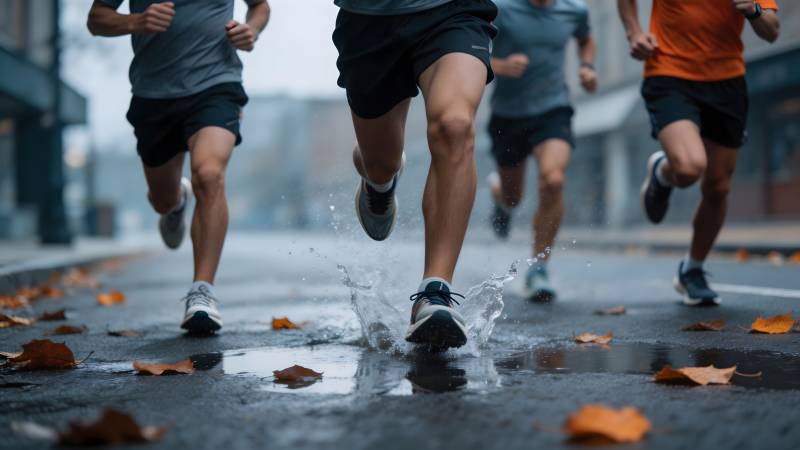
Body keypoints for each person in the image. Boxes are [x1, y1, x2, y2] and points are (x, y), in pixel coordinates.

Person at [87, 0, 270, 332]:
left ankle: (203, 292)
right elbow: (96, 19)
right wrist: (137, 21)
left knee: (210, 175)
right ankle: (175, 203)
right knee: (162, 199)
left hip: (216, 85)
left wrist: (251, 30)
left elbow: (259, 6)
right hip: (154, 95)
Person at [332, 0, 498, 350]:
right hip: (370, 20)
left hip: (454, 12)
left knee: (455, 126)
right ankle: (379, 181)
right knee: (380, 161)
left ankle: (434, 291)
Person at [618, 0, 779, 306]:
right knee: (691, 167)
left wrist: (753, 9)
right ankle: (666, 172)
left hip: (727, 81)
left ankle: (692, 270)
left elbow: (771, 31)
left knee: (718, 186)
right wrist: (634, 32)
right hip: (669, 73)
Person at [486, 0, 597, 302]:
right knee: (513, 196)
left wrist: (587, 67)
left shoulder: (574, 10)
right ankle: (500, 195)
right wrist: (500, 65)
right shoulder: (502, 10)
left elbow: (585, 38)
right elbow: (472, 50)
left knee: (553, 179)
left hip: (553, 109)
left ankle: (538, 268)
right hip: (508, 115)